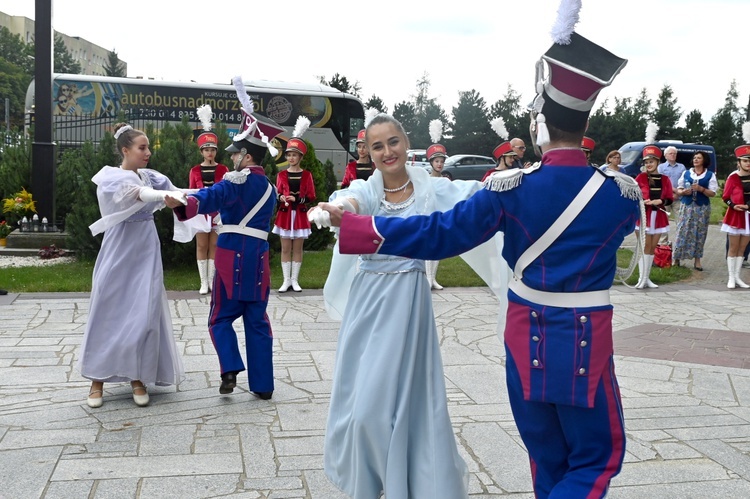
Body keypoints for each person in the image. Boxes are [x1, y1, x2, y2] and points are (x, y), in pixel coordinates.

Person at [314, 15, 638, 497]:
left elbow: (442, 232)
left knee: (546, 454)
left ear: (539, 124)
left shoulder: (512, 189)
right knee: (596, 456)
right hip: (586, 337)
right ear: (586, 123)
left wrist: (363, 230)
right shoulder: (622, 195)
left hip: (524, 334)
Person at [308, 113, 505, 499]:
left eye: (393, 142)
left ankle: (410, 483)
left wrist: (509, 181)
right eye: (377, 146)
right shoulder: (367, 190)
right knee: (363, 407)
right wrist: (339, 210)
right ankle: (368, 483)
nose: (386, 152)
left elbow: (472, 195)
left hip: (408, 304)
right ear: (369, 151)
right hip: (368, 304)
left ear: (405, 142)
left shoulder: (430, 188)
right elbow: (349, 201)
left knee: (408, 402)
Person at [171, 76, 285, 399]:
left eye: (237, 154)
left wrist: (182, 204)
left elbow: (207, 197)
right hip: (259, 262)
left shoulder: (235, 181)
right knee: (257, 322)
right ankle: (263, 386)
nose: (232, 158)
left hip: (230, 258)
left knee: (219, 319)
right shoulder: (271, 188)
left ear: (247, 157)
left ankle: (230, 367)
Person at [79, 123, 187, 409]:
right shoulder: (112, 178)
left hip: (145, 246)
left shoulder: (150, 176)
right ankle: (96, 379)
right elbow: (138, 194)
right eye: (142, 148)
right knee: (108, 307)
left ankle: (137, 376)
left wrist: (217, 191)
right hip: (119, 247)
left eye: (148, 147)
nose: (148, 152)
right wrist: (162, 197)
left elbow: (178, 191)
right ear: (125, 150)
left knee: (144, 310)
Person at [273, 116, 316, 293]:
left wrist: (297, 200)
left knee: (298, 248)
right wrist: (282, 198)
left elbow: (312, 196)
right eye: (289, 154)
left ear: (300, 156)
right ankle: (285, 281)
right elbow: (277, 194)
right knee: (285, 248)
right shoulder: (282, 175)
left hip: (299, 215)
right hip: (284, 215)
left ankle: (295, 280)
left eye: (294, 155)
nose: (291, 157)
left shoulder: (307, 175)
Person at [190, 105, 230, 294]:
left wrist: (223, 211)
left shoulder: (223, 170)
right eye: (206, 149)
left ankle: (213, 280)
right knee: (201, 245)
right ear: (201, 152)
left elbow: (228, 191)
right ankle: (203, 281)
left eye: (212, 149)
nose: (210, 153)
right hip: (200, 211)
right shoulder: (195, 170)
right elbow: (191, 191)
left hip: (217, 212)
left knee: (214, 244)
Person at [634, 145, 673, 289]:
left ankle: (646, 278)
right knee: (644, 246)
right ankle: (640, 278)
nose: (648, 164)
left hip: (659, 217)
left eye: (651, 161)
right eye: (646, 162)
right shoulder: (640, 178)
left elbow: (670, 198)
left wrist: (660, 201)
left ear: (658, 162)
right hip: (644, 216)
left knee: (652, 248)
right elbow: (634, 196)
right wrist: (642, 201)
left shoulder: (665, 179)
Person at [672, 151, 717, 270]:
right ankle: (676, 258)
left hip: (702, 208)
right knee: (682, 230)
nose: (696, 160)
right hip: (687, 206)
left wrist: (701, 189)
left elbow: (712, 193)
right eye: (695, 158)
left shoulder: (710, 175)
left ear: (704, 160)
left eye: (699, 158)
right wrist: (682, 192)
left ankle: (697, 261)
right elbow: (679, 188)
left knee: (700, 232)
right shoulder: (686, 173)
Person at [721, 134, 750, 289]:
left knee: (743, 248)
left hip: (748, 216)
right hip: (735, 216)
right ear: (739, 162)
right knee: (733, 247)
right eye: (745, 160)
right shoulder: (733, 178)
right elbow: (725, 196)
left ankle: (738, 277)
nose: (748, 163)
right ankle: (731, 278)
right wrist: (734, 205)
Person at [425, 119, 448, 289]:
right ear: (431, 162)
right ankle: (427, 277)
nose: (439, 164)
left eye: (441, 161)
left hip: (440, 216)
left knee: (438, 248)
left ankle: (434, 278)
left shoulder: (445, 180)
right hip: (427, 216)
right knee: (428, 248)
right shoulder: (425, 179)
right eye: (437, 161)